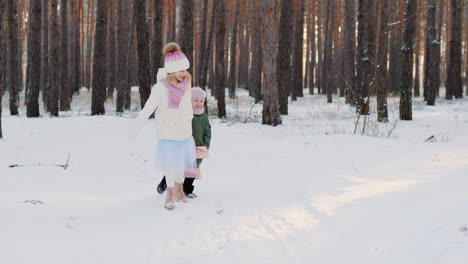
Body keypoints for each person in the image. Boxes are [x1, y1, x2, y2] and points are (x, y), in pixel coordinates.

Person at [129, 42, 196, 210]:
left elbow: (187, 107)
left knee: (181, 164)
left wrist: (190, 120)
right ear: (172, 70)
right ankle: (170, 194)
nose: (184, 73)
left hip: (184, 132)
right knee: (171, 166)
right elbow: (147, 110)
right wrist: (135, 129)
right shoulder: (160, 88)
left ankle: (180, 191)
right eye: (180, 70)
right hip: (168, 133)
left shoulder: (186, 85)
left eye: (185, 70)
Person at [157, 87, 211, 198]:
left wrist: (205, 145)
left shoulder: (204, 117)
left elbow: (207, 132)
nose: (199, 103)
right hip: (183, 146)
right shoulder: (184, 114)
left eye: (201, 101)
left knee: (193, 169)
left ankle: (187, 189)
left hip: (198, 148)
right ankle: (164, 183)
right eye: (195, 100)